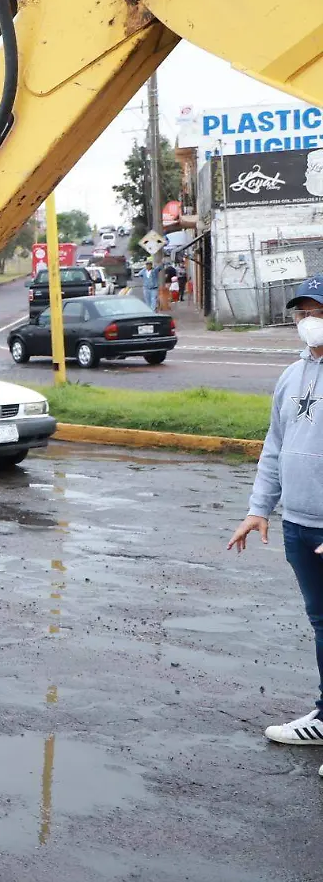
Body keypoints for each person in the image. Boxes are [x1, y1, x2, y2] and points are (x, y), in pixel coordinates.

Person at [229, 274, 323, 776]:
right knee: (321, 625)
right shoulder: (292, 376)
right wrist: (258, 509)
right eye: (302, 313)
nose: (308, 322)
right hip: (300, 525)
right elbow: (275, 447)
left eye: (317, 311)